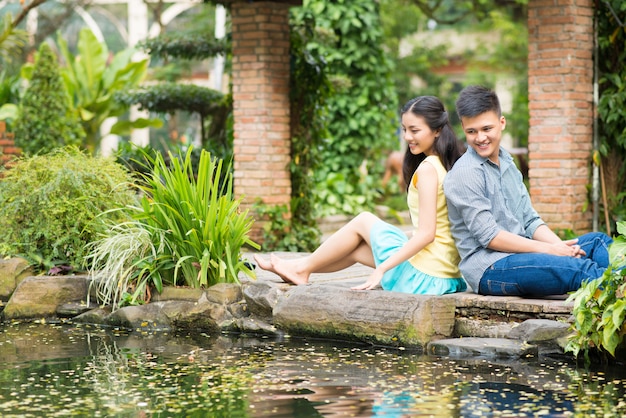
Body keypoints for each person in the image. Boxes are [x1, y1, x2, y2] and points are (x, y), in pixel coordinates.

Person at [254, 96, 467, 295]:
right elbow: (437, 227)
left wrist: (381, 269)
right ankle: (300, 268)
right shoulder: (447, 165)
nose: (407, 137)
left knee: (364, 220)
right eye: (404, 130)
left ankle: (300, 267)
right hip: (444, 277)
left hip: (424, 278)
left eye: (414, 130)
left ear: (437, 130)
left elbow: (427, 234)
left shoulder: (428, 169)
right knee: (358, 249)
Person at [443, 85, 613, 296]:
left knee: (598, 243)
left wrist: (563, 248)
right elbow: (490, 237)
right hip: (491, 267)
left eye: (487, 129)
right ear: (463, 128)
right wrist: (552, 251)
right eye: (472, 131)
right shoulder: (465, 173)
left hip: (523, 253)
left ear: (501, 123)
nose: (480, 138)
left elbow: (530, 221)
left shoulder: (508, 163)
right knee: (582, 270)